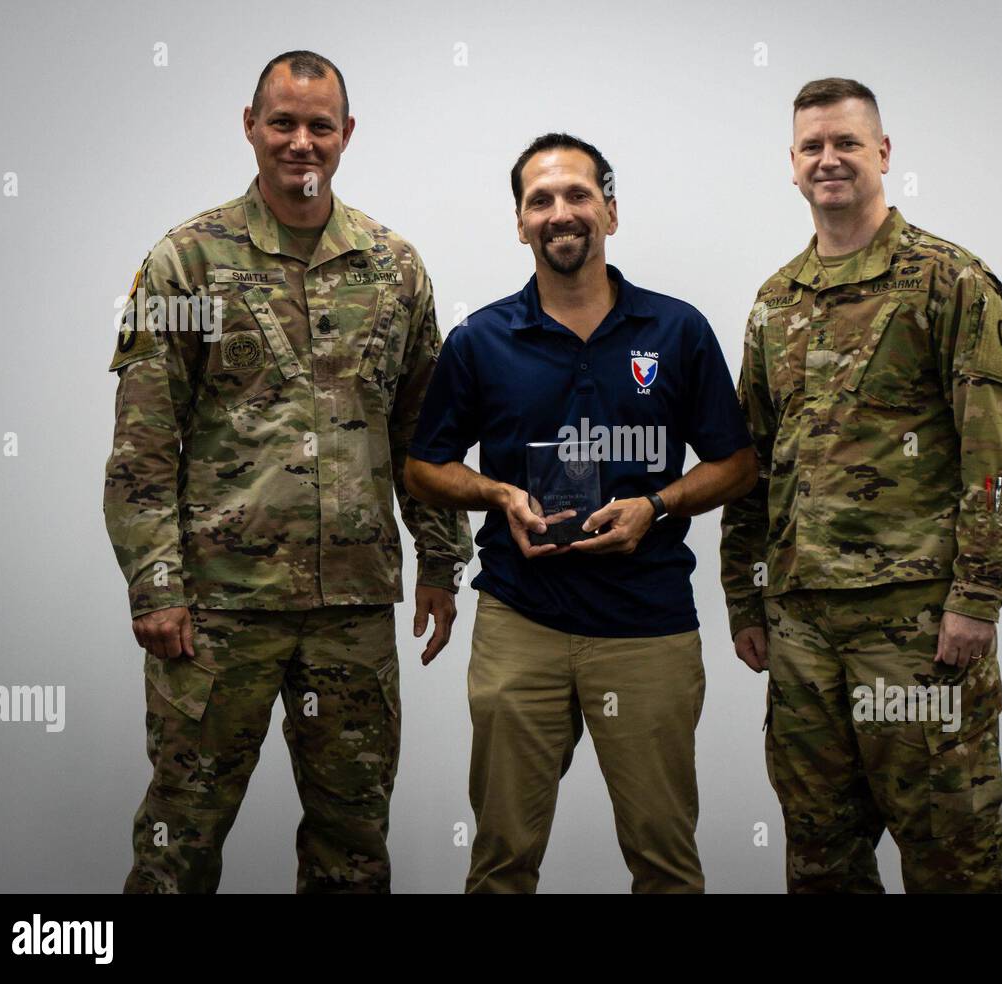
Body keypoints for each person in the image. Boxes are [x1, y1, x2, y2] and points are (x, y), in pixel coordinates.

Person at [103, 50, 471, 893]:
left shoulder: (393, 267)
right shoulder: (186, 264)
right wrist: (156, 586)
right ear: (250, 126)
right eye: (283, 122)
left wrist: (442, 564)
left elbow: (427, 436)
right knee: (178, 843)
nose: (301, 142)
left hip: (352, 610)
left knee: (353, 848)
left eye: (319, 125)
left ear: (346, 134)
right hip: (218, 610)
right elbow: (143, 448)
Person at [405, 133, 757, 893]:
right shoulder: (481, 340)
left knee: (665, 861)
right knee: (501, 859)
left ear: (611, 211)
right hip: (520, 623)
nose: (560, 213)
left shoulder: (677, 330)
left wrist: (657, 505)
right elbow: (423, 467)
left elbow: (739, 463)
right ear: (520, 222)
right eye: (541, 200)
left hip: (648, 626)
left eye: (577, 195)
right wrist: (498, 495)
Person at [719, 78, 1002, 893]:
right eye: (812, 147)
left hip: (915, 629)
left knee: (950, 856)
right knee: (821, 856)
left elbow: (999, 451)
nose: (829, 160)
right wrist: (743, 595)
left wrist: (977, 595)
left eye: (847, 144)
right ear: (792, 166)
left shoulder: (948, 280)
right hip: (801, 632)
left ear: (883, 154)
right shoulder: (774, 303)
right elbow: (753, 461)